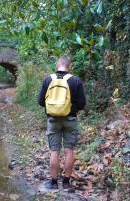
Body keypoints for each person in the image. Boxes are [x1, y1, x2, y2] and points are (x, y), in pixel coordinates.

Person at [37, 56, 86, 190]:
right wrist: (71, 108)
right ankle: (66, 182)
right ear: (69, 66)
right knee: (69, 150)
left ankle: (53, 182)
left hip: (53, 120)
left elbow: (41, 101)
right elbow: (82, 104)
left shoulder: (48, 79)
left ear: (57, 65)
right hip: (70, 119)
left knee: (54, 151)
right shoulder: (75, 80)